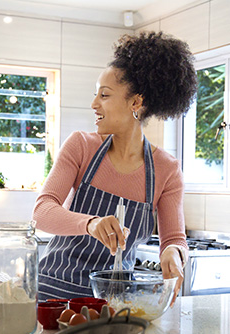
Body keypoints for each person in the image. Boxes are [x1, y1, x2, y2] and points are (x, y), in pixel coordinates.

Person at [33, 31, 197, 307]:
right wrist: (91, 223)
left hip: (113, 303)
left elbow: (175, 239)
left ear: (136, 102)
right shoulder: (81, 146)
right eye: (95, 94)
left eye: (104, 95)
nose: (94, 104)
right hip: (53, 297)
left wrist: (173, 254)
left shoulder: (167, 170)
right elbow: (42, 211)